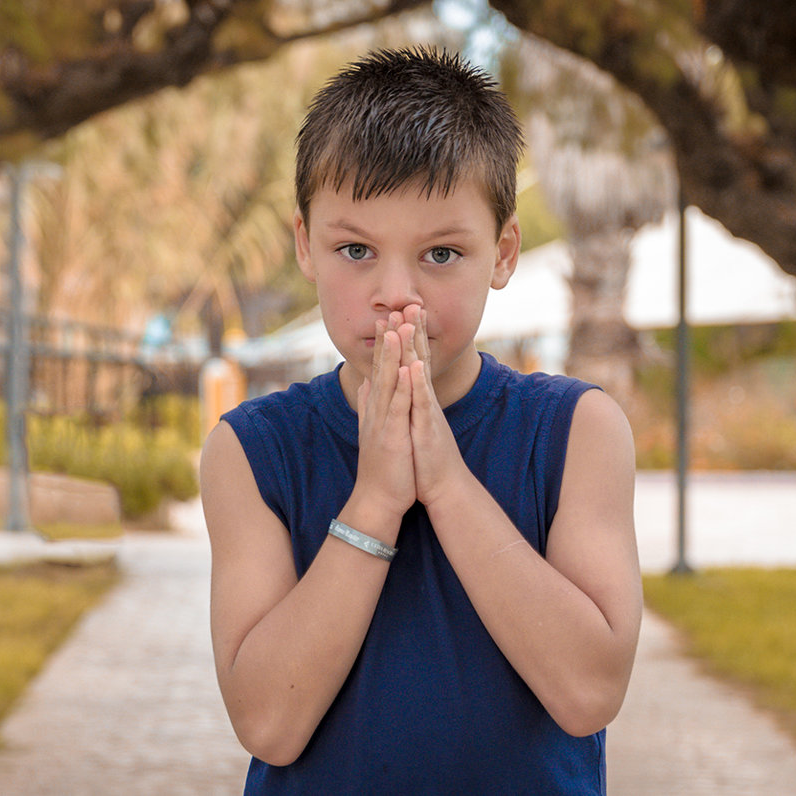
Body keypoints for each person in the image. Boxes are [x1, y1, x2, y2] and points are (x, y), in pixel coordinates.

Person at [200, 47, 642, 795]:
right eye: (355, 250)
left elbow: (589, 693)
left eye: (441, 252)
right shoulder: (251, 451)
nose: (395, 292)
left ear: (501, 254)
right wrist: (375, 500)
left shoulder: (577, 434)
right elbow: (270, 723)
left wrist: (445, 482)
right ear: (305, 246)